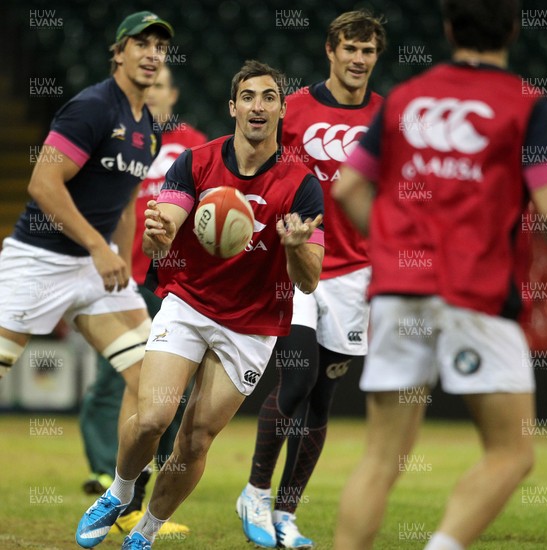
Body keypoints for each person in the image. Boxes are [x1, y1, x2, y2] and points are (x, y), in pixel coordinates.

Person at [331, 1, 547, 549]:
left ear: (448, 28)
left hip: (399, 294)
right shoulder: (526, 104)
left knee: (380, 459)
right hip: (475, 293)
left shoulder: (405, 97)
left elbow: (349, 188)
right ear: (515, 28)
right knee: (512, 453)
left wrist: (391, 249)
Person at [75, 59, 325, 550]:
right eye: (248, 96)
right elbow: (160, 235)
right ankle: (120, 492)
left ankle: (145, 532)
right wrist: (160, 231)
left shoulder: (302, 186)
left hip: (251, 325)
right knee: (152, 419)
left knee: (195, 440)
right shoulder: (196, 162)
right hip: (189, 304)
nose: (258, 105)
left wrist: (296, 247)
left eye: (270, 97)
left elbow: (310, 283)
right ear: (233, 106)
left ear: (281, 110)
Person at [237, 10, 386, 549]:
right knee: (295, 382)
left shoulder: (386, 118)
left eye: (368, 51)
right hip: (298, 265)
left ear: (376, 56)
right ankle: (254, 491)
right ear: (331, 49)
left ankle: (285, 514)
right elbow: (248, 159)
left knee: (321, 403)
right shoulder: (292, 107)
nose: (358, 59)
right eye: (350, 48)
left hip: (356, 278)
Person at [0, 10, 172, 450]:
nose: (152, 55)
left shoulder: (149, 126)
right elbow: (42, 183)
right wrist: (99, 246)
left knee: (151, 380)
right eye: (141, 44)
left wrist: (127, 263)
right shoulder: (92, 106)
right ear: (118, 53)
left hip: (95, 273)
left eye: (160, 47)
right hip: (38, 261)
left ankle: (122, 500)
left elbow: (126, 201)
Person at [79, 65, 206, 538]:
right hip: (121, 276)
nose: (153, 93)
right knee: (114, 382)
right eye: (146, 85)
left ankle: (150, 473)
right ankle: (103, 472)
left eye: (161, 86)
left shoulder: (194, 144)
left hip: (174, 283)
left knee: (166, 394)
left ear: (173, 95)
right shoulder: (119, 139)